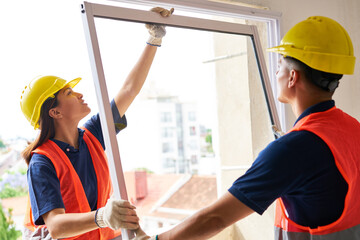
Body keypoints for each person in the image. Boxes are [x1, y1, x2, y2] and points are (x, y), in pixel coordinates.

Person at [133, 16, 359, 240]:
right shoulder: (352, 128)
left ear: (292, 77)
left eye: (279, 65)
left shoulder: (293, 150)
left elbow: (215, 218)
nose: (276, 72)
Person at [20, 7, 174, 240]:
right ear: (54, 111)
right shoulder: (42, 162)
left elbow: (129, 91)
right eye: (69, 92)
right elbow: (57, 226)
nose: (80, 94)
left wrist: (154, 39)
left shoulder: (92, 134)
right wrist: (103, 216)